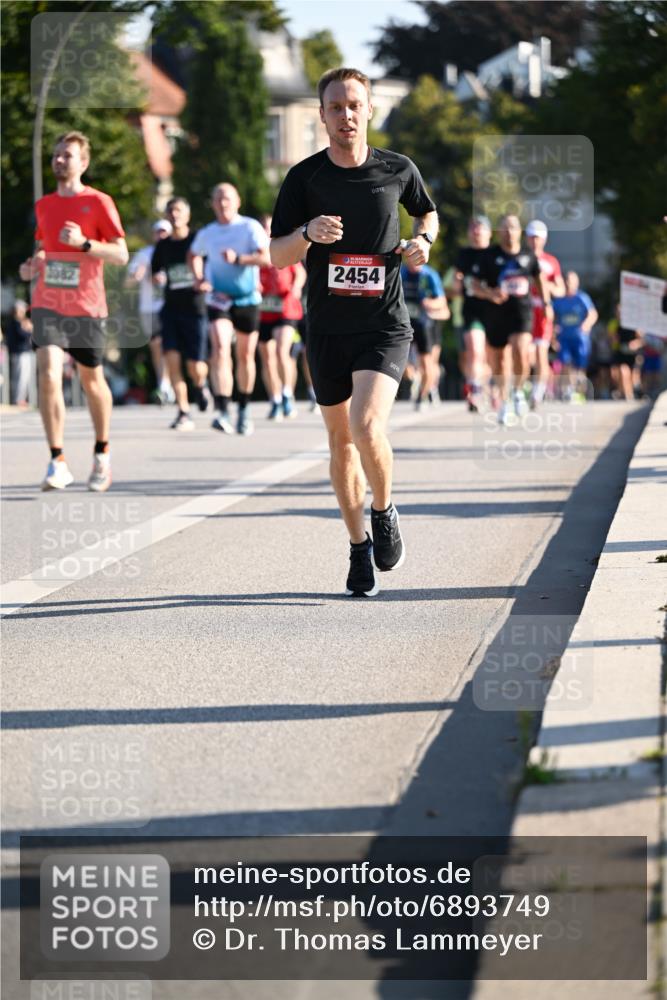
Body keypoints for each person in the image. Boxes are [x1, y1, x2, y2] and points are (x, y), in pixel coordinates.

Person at [270, 67, 438, 597]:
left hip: (383, 324)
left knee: (367, 427)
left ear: (369, 110)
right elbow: (277, 255)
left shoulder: (398, 168)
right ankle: (358, 544)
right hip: (326, 327)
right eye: (335, 107)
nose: (346, 115)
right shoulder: (304, 178)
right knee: (341, 442)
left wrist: (423, 243)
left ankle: (384, 509)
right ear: (322, 116)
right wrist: (306, 232)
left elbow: (427, 214)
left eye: (354, 105)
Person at [19, 130, 128, 490]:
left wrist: (84, 244)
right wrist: (32, 266)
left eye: (67, 155)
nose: (59, 160)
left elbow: (120, 253)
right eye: (56, 154)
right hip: (48, 302)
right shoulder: (44, 205)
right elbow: (42, 247)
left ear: (83, 162)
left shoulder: (99, 202)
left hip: (86, 304)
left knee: (91, 379)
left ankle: (102, 453)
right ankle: (57, 460)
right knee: (48, 371)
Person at [189, 183, 270, 436]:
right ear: (212, 203)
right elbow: (193, 254)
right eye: (218, 199)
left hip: (247, 298)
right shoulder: (208, 232)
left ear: (237, 201)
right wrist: (200, 278)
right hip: (219, 299)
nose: (223, 203)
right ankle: (222, 410)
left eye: (227, 198)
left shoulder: (249, 227)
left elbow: (267, 258)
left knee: (245, 355)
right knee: (221, 348)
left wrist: (239, 259)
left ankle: (243, 409)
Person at [472, 215, 552, 425]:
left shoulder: (528, 255)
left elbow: (540, 279)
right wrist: (490, 294)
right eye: (505, 228)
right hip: (496, 314)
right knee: (499, 361)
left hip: (522, 312)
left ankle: (518, 392)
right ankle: (504, 400)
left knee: (520, 350)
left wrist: (547, 305)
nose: (509, 232)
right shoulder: (489, 256)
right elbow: (474, 285)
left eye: (513, 228)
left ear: (520, 231)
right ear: (499, 232)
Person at [151, 197, 209, 431]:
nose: (174, 215)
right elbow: (156, 270)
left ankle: (201, 385)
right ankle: (183, 411)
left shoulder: (198, 240)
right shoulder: (162, 246)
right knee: (172, 361)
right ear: (166, 216)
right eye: (170, 211)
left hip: (195, 308)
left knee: (195, 365)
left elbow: (210, 266)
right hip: (171, 310)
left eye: (179, 210)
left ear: (187, 215)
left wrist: (205, 281)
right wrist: (156, 278)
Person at [258, 213, 306, 420]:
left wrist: (296, 287)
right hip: (263, 310)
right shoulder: (254, 251)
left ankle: (287, 394)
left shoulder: (281, 246)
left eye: (268, 227)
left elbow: (300, 272)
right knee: (267, 359)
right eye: (262, 227)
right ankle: (275, 398)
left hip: (286, 307)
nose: (266, 231)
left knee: (281, 351)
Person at [125, 218, 174, 404]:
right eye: (158, 232)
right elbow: (128, 282)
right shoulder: (145, 254)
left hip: (171, 306)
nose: (161, 235)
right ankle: (165, 383)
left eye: (165, 232)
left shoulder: (175, 251)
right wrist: (138, 275)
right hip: (149, 308)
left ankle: (170, 383)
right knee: (156, 346)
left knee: (169, 346)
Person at [525, 219, 565, 409]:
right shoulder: (521, 258)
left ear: (544, 239)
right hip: (523, 310)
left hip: (542, 312)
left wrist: (545, 285)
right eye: (532, 237)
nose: (535, 241)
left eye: (538, 238)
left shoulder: (551, 262)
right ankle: (523, 386)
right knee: (525, 354)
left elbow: (561, 289)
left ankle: (538, 392)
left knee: (541, 353)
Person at [454, 215, 492, 411]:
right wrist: (457, 282)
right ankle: (475, 390)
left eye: (480, 229)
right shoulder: (464, 254)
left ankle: (490, 387)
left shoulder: (495, 254)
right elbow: (457, 278)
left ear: (489, 232)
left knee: (491, 357)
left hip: (495, 312)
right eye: (473, 229)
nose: (476, 233)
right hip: (472, 311)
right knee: (475, 351)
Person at [400, 260, 449, 410]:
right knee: (404, 367)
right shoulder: (400, 272)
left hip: (424, 325)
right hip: (403, 323)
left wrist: (430, 304)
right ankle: (416, 379)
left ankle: (423, 395)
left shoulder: (429, 275)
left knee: (428, 363)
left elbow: (442, 302)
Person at [552, 271, 598, 401]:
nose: (568, 284)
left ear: (576, 283)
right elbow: (553, 317)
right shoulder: (559, 300)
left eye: (571, 281)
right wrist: (554, 333)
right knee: (565, 363)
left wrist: (586, 325)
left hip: (580, 338)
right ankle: (568, 390)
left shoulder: (582, 298)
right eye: (566, 281)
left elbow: (593, 314)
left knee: (580, 366)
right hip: (564, 337)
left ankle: (580, 391)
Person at [4, 299, 34, 407]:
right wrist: (29, 330)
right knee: (20, 378)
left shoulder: (17, 322)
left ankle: (20, 399)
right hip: (20, 353)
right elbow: (24, 336)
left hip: (21, 353)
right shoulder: (16, 323)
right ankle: (18, 399)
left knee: (23, 378)